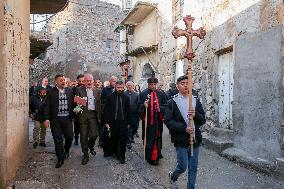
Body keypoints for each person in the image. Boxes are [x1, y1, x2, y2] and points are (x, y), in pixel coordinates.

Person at [164, 75, 206, 189]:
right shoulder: (172, 102)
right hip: (181, 139)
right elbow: (168, 121)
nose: (186, 85)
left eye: (188, 83)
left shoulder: (195, 101)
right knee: (183, 166)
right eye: (183, 83)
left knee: (193, 167)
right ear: (177, 86)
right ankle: (173, 176)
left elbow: (203, 120)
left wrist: (195, 114)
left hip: (195, 139)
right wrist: (184, 128)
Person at [43, 74, 74, 168]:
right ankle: (60, 158)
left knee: (69, 136)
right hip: (55, 120)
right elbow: (46, 106)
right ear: (56, 82)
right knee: (58, 140)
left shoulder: (69, 91)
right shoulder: (51, 92)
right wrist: (46, 119)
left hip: (67, 119)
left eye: (64, 80)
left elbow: (73, 103)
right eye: (61, 80)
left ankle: (67, 150)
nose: (63, 81)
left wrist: (76, 111)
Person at [138, 77, 167, 165]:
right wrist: (143, 106)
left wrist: (159, 108)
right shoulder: (143, 94)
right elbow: (138, 106)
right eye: (151, 84)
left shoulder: (161, 94)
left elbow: (166, 105)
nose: (153, 86)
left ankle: (158, 153)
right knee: (148, 137)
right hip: (148, 121)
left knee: (158, 137)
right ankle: (150, 156)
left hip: (158, 120)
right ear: (148, 84)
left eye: (154, 84)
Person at [74, 74, 101, 165]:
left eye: (90, 80)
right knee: (83, 136)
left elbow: (99, 105)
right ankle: (85, 154)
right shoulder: (79, 90)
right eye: (87, 80)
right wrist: (78, 111)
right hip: (83, 115)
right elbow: (76, 103)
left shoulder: (97, 91)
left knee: (94, 135)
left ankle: (90, 146)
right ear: (84, 82)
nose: (89, 82)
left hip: (93, 115)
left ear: (93, 81)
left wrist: (100, 117)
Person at [102, 81, 131, 164]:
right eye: (118, 87)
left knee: (122, 139)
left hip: (123, 122)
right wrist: (106, 121)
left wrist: (129, 122)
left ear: (123, 87)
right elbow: (106, 110)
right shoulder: (110, 97)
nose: (120, 89)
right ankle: (111, 152)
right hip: (112, 121)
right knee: (112, 137)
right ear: (115, 87)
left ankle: (121, 155)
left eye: (121, 87)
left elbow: (128, 110)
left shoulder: (126, 97)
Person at [99, 75, 118, 147]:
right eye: (113, 81)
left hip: (115, 112)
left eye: (116, 81)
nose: (115, 83)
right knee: (104, 127)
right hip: (106, 111)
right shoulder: (105, 89)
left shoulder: (118, 89)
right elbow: (102, 100)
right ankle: (101, 141)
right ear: (110, 81)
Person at [124, 81, 139, 149]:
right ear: (126, 86)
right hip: (127, 115)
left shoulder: (136, 94)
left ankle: (132, 136)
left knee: (135, 127)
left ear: (133, 86)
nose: (129, 86)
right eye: (128, 85)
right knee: (128, 128)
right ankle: (128, 141)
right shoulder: (124, 94)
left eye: (131, 85)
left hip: (134, 114)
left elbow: (138, 103)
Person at [73, 74, 85, 145]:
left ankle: (83, 139)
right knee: (77, 126)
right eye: (80, 81)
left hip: (85, 110)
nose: (81, 82)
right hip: (77, 109)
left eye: (82, 81)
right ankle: (76, 139)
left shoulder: (87, 88)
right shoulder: (74, 89)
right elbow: (74, 101)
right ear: (77, 81)